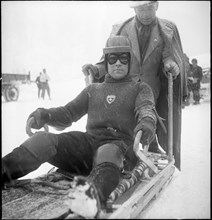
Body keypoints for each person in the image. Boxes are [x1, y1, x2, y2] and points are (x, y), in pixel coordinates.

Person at [2, 36, 157, 218]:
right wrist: (45, 115)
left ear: (130, 61)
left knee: (107, 151)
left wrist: (146, 122)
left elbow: (146, 108)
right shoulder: (93, 90)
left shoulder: (139, 88)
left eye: (123, 58)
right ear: (106, 61)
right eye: (112, 58)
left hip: (118, 151)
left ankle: (84, 206)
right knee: (43, 140)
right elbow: (68, 113)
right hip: (88, 149)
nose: (118, 63)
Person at [82, 1, 187, 170]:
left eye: (149, 8)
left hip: (153, 90)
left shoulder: (167, 29)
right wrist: (95, 69)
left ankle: (161, 159)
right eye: (141, 9)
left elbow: (170, 55)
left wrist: (171, 64)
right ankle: (119, 161)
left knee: (151, 125)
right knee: (123, 129)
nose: (145, 13)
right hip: (125, 89)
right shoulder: (120, 29)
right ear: (134, 9)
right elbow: (109, 60)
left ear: (157, 6)